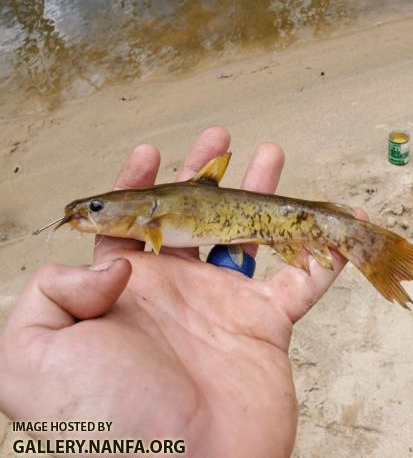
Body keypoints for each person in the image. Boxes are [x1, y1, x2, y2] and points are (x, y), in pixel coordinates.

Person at [0, 126, 367, 458]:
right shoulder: (146, 222)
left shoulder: (155, 220)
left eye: (97, 208)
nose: (88, 212)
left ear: (148, 210)